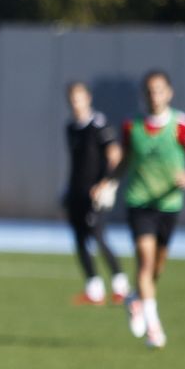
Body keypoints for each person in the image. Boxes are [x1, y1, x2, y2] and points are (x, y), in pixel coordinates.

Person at [109, 69, 185, 350]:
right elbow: (125, 163)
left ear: (169, 93)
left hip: (169, 203)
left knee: (158, 266)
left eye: (159, 90)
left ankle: (135, 300)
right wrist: (107, 183)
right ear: (144, 95)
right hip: (139, 202)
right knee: (146, 262)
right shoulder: (131, 127)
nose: (154, 96)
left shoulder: (182, 125)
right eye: (149, 91)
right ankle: (154, 328)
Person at [62, 81, 129, 305]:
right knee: (79, 239)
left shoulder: (99, 125)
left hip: (95, 193)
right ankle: (94, 289)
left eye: (79, 98)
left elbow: (115, 155)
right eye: (72, 99)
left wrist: (104, 183)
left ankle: (120, 285)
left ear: (88, 98)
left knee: (98, 235)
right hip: (77, 191)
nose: (76, 103)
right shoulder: (71, 128)